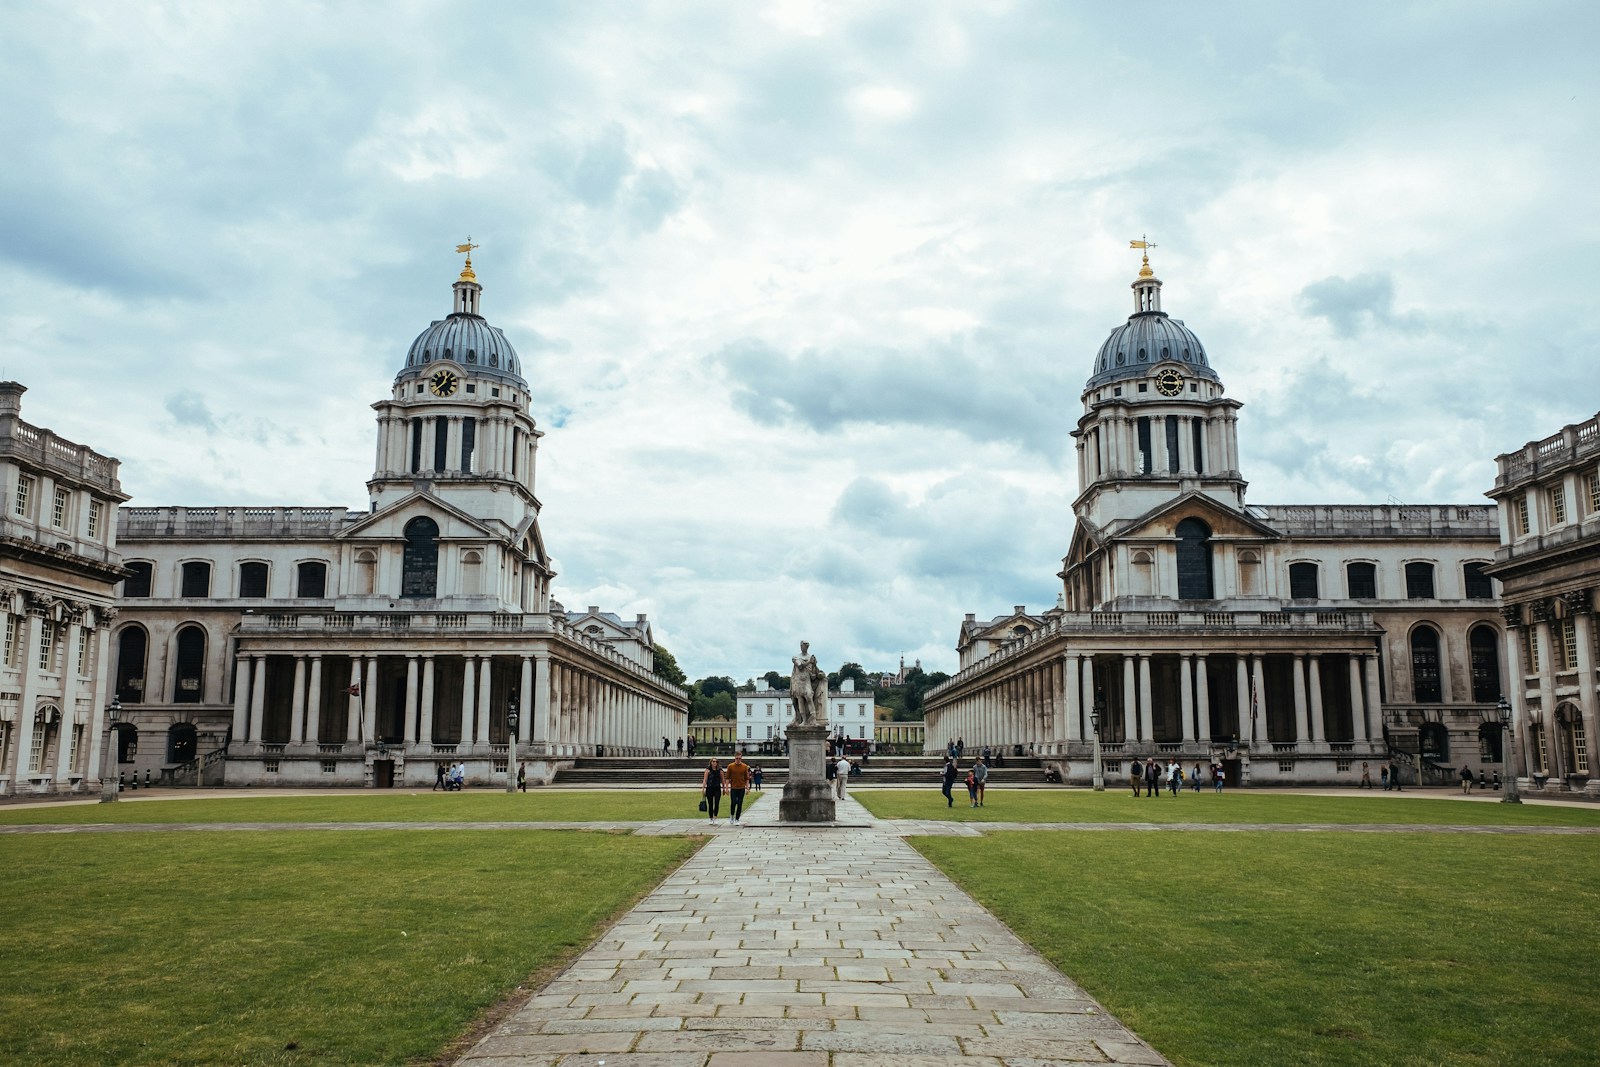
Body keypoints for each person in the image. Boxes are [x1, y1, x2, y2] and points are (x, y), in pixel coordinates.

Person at [727, 753, 751, 823]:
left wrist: (747, 788)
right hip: (733, 787)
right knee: (733, 803)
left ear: (741, 758)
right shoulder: (730, 766)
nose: (738, 760)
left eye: (739, 758)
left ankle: (737, 818)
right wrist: (726, 788)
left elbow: (746, 778)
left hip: (741, 788)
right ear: (734, 758)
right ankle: (732, 815)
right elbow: (727, 778)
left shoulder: (744, 766)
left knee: (740, 803)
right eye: (736, 758)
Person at [702, 758, 724, 824]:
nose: (715, 763)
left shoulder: (720, 770)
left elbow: (723, 779)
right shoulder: (708, 770)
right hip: (710, 788)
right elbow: (705, 780)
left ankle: (715, 817)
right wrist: (703, 788)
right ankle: (711, 818)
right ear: (711, 762)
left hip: (717, 788)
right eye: (713, 761)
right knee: (710, 804)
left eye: (716, 761)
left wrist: (724, 788)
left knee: (717, 803)